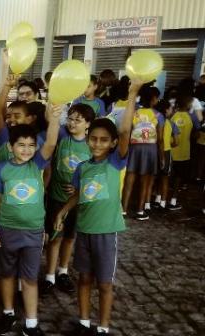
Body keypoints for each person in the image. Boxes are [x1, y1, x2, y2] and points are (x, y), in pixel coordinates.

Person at [56, 79, 142, 336]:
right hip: (84, 231)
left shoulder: (115, 163)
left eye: (104, 140)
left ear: (113, 143)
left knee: (104, 284)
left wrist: (132, 94)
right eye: (93, 139)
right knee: (83, 278)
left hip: (106, 233)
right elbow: (80, 195)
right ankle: (83, 323)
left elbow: (125, 131)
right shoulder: (83, 167)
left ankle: (103, 327)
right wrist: (63, 210)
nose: (97, 144)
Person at [0, 102, 62, 336]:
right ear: (11, 147)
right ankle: (8, 314)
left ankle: (31, 323)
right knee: (7, 274)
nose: (27, 149)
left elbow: (50, 143)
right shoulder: (3, 169)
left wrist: (54, 119)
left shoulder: (37, 165)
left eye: (31, 145)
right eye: (21, 145)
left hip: (32, 231)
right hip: (7, 229)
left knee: (30, 278)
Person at [41, 104, 95, 297]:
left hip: (77, 202)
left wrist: (79, 188)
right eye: (70, 118)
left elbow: (93, 172)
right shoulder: (63, 136)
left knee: (69, 238)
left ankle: (63, 271)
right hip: (57, 198)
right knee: (55, 237)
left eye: (78, 120)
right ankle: (49, 276)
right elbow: (51, 122)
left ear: (88, 124)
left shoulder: (91, 144)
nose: (72, 123)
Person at [121, 86, 163, 220]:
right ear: (154, 99)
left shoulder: (134, 113)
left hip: (134, 147)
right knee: (145, 180)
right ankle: (140, 211)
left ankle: (123, 209)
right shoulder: (158, 115)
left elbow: (127, 131)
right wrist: (161, 157)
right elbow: (160, 139)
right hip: (150, 149)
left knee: (129, 179)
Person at [168, 94, 198, 210]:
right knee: (179, 178)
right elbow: (197, 130)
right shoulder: (192, 117)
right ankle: (173, 201)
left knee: (167, 176)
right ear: (188, 104)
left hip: (171, 150)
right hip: (184, 152)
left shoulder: (172, 115)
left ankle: (161, 199)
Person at [152, 100, 179, 210]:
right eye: (171, 108)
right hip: (166, 152)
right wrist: (170, 143)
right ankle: (163, 202)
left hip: (155, 151)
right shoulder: (171, 123)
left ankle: (151, 202)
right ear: (166, 110)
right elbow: (177, 142)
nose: (172, 111)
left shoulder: (155, 120)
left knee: (154, 177)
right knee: (165, 178)